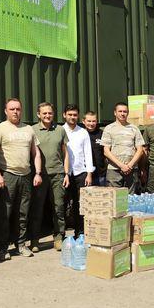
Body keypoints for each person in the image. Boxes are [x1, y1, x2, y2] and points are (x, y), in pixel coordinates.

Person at [0, 98, 42, 259]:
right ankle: (3, 248)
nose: (15, 112)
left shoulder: (28, 129)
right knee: (5, 213)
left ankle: (21, 245)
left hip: (26, 176)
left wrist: (38, 173)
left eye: (18, 109)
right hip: (8, 175)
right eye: (12, 109)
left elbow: (36, 153)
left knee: (23, 213)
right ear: (6, 111)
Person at [30, 102, 70, 252]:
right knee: (37, 208)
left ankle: (59, 237)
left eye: (50, 113)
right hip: (40, 175)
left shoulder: (60, 130)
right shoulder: (32, 130)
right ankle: (34, 240)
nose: (47, 115)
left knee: (58, 207)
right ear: (38, 114)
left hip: (58, 174)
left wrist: (66, 173)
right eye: (44, 113)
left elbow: (65, 154)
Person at [63, 104, 94, 242]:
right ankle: (61, 235)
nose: (72, 117)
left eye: (75, 115)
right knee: (61, 205)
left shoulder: (83, 132)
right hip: (64, 174)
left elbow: (88, 153)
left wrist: (89, 173)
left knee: (80, 205)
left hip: (80, 173)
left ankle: (80, 233)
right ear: (64, 115)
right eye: (70, 114)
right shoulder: (60, 130)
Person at [101, 102, 146, 192]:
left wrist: (130, 165)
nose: (122, 114)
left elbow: (140, 150)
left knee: (131, 197)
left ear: (128, 113)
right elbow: (106, 151)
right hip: (114, 170)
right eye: (120, 111)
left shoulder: (134, 128)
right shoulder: (109, 128)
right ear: (115, 113)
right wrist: (121, 165)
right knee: (115, 198)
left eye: (125, 111)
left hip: (131, 170)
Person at [83, 111, 107, 186]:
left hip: (100, 174)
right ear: (83, 121)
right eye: (89, 121)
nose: (91, 123)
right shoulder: (81, 134)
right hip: (84, 174)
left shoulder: (102, 134)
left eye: (93, 121)